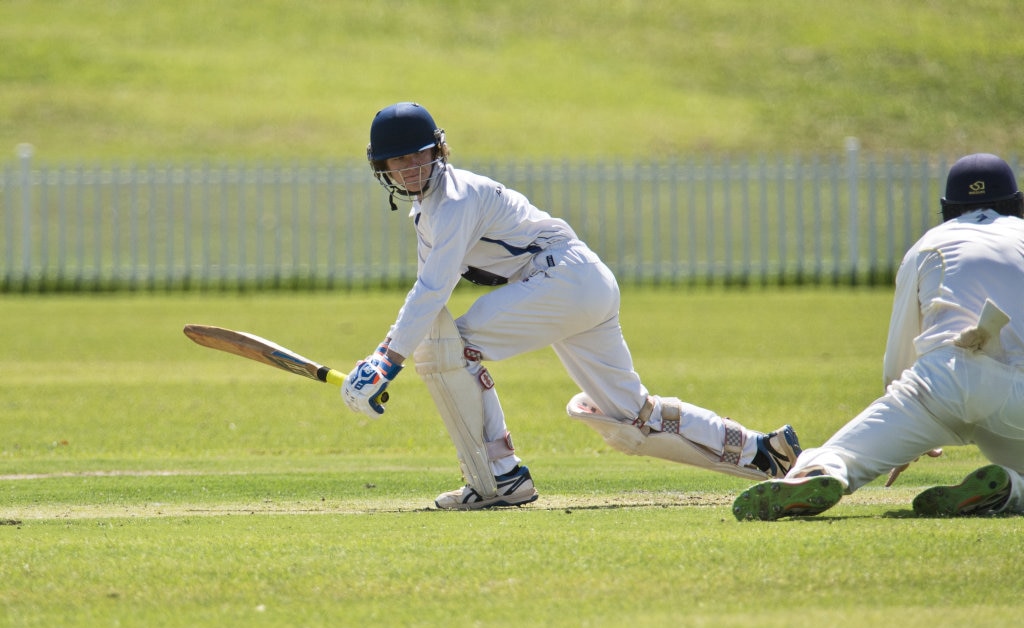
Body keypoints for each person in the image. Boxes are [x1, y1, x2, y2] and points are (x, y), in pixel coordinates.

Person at [341, 101, 801, 510]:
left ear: (438, 150)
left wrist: (385, 362)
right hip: (579, 282)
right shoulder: (430, 211)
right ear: (382, 166)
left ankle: (500, 475)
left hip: (560, 280)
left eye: (420, 154)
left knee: (450, 349)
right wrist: (382, 357)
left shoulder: (457, 200)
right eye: (399, 159)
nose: (411, 168)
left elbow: (431, 292)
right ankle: (763, 451)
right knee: (630, 420)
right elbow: (428, 301)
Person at [732, 152, 1024, 521]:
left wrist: (907, 425)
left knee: (843, 455)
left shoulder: (929, 244)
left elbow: (898, 361)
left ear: (948, 209)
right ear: (1017, 204)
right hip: (1019, 394)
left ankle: (818, 472)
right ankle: (1011, 490)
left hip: (944, 379)